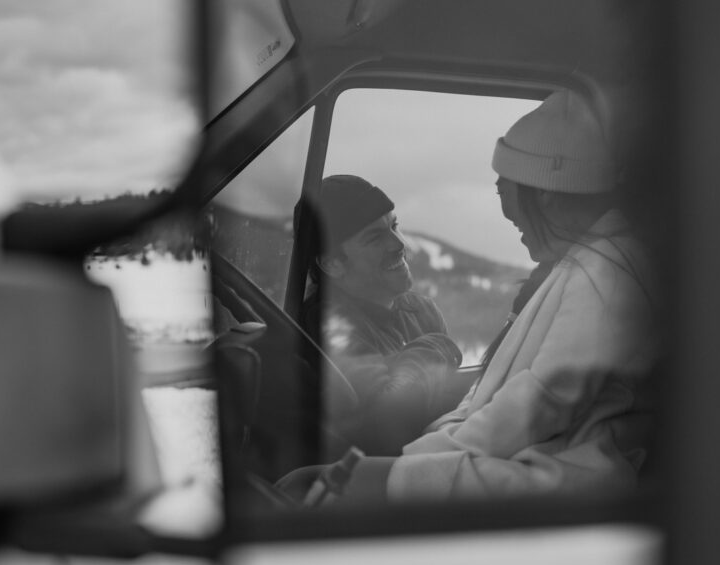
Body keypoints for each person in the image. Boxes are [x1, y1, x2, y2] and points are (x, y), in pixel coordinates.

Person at [282, 89, 660, 503]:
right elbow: (512, 404)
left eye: (504, 190)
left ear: (545, 193)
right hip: (536, 462)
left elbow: (540, 400)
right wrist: (425, 448)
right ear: (331, 263)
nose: (504, 208)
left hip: (560, 478)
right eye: (375, 237)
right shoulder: (591, 264)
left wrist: (407, 467)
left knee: (313, 489)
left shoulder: (604, 271)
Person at [300, 174, 464, 456]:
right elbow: (385, 422)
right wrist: (436, 347)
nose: (399, 244)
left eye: (394, 226)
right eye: (375, 238)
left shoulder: (422, 311)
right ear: (332, 263)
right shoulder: (328, 330)